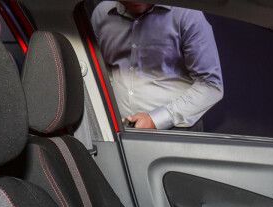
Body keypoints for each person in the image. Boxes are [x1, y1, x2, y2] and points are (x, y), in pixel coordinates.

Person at [91, 2, 223, 130]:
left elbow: (210, 85)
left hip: (175, 131)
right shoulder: (101, 14)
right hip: (116, 131)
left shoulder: (186, 13)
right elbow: (101, 72)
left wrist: (156, 119)